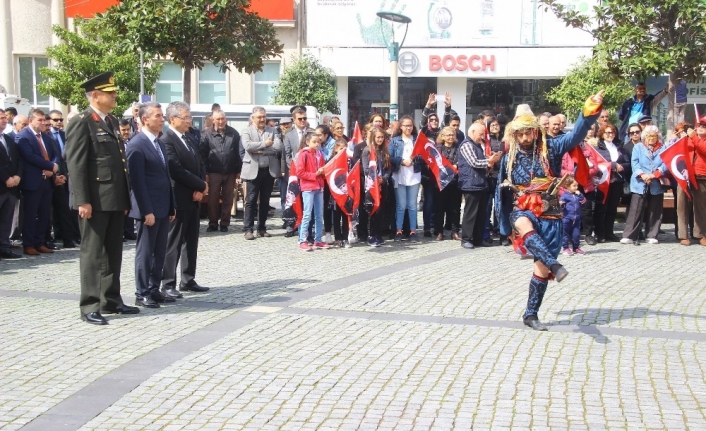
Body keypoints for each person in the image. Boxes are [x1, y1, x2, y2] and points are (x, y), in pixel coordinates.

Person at [497, 90, 603, 331]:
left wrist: (588, 112)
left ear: (536, 131)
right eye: (520, 133)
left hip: (551, 212)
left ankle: (530, 314)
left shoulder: (552, 147)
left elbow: (576, 135)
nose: (525, 137)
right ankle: (556, 265)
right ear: (514, 134)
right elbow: (500, 190)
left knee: (540, 270)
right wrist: (503, 220)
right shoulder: (509, 157)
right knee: (524, 223)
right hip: (523, 208)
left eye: (528, 132)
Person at [65, 71, 138, 324]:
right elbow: (76, 165)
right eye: (110, 93)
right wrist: (82, 200)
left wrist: (124, 199)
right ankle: (89, 305)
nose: (115, 96)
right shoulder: (82, 121)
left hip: (114, 199)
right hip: (94, 201)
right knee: (93, 253)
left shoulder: (112, 121)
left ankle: (111, 299)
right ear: (95, 95)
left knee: (113, 252)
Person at [127, 102, 176, 308]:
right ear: (145, 119)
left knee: (160, 251)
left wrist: (171, 205)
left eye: (162, 115)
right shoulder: (137, 144)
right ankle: (142, 291)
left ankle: (154, 288)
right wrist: (146, 210)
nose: (162, 119)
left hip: (163, 207)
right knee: (145, 252)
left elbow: (165, 176)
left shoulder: (159, 143)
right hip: (148, 209)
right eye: (158, 116)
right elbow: (137, 182)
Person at [161, 101, 209, 297]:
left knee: (191, 240)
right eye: (186, 117)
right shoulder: (167, 139)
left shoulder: (188, 138)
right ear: (173, 119)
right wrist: (199, 185)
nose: (190, 121)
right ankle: (168, 283)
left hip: (193, 196)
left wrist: (202, 184)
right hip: (179, 196)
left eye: (190, 117)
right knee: (174, 241)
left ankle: (188, 279)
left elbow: (200, 163)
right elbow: (175, 169)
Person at [16, 109, 59, 255]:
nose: (42, 123)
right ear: (30, 121)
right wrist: (49, 166)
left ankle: (40, 242)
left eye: (43, 120)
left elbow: (54, 155)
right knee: (30, 214)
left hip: (46, 181)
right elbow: (30, 156)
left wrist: (52, 168)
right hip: (32, 182)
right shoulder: (23, 137)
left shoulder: (46, 137)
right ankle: (28, 244)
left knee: (44, 213)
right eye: (39, 120)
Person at [620, 125, 667, 245]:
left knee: (654, 210)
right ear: (645, 136)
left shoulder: (663, 148)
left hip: (656, 182)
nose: (651, 138)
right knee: (635, 209)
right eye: (649, 135)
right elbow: (634, 163)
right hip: (640, 182)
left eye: (654, 136)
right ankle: (630, 235)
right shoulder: (638, 147)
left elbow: (665, 164)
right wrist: (643, 175)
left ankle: (652, 234)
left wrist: (654, 175)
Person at [241, 106, 283, 239]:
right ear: (253, 118)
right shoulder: (247, 131)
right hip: (253, 171)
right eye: (259, 117)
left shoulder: (272, 130)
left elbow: (278, 146)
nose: (262, 119)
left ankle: (262, 228)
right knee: (251, 200)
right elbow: (247, 146)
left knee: (265, 201)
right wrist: (265, 144)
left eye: (264, 117)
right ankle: (248, 229)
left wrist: (259, 149)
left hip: (268, 171)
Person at [458, 122, 501, 249]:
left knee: (481, 214)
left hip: (481, 183)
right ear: (472, 132)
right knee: (470, 214)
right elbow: (474, 162)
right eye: (480, 134)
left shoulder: (477, 145)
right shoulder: (466, 145)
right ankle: (466, 238)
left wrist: (490, 163)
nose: (482, 136)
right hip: (471, 184)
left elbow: (481, 164)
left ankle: (477, 239)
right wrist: (489, 161)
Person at [200, 110, 241, 233]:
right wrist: (205, 172)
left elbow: (238, 153)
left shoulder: (233, 133)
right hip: (213, 172)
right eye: (218, 119)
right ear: (213, 120)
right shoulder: (207, 134)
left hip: (230, 171)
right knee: (213, 198)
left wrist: (238, 171)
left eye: (223, 118)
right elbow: (202, 155)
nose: (221, 121)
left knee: (228, 198)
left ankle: (225, 223)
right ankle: (213, 223)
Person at [593, 123, 630, 243]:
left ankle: (609, 233)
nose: (610, 135)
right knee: (601, 207)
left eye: (612, 132)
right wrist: (613, 165)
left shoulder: (619, 147)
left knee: (612, 208)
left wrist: (621, 166)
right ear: (602, 134)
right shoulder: (598, 149)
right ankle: (600, 233)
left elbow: (628, 163)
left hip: (617, 181)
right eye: (607, 132)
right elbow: (597, 164)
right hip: (604, 181)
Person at [561, 135, 600, 246]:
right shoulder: (565, 152)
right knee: (568, 211)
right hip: (569, 186)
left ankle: (588, 234)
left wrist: (583, 174)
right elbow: (561, 169)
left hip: (585, 185)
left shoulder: (588, 150)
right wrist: (572, 176)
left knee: (586, 211)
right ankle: (567, 236)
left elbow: (595, 168)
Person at [389, 116, 421, 242]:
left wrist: (415, 159)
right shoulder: (395, 141)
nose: (408, 128)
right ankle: (398, 230)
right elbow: (390, 157)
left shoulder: (417, 141)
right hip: (399, 176)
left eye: (410, 125)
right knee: (401, 205)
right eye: (406, 125)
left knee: (412, 205)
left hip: (414, 176)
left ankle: (413, 231)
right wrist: (402, 161)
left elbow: (423, 156)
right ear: (401, 127)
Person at [296, 131, 328, 251]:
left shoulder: (319, 153)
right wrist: (315, 174)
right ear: (307, 142)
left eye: (318, 142)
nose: (317, 144)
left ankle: (318, 239)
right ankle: (302, 240)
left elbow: (323, 169)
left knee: (319, 215)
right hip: (308, 187)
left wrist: (323, 173)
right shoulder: (303, 154)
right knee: (307, 214)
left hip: (319, 187)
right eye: (314, 142)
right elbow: (300, 172)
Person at [362, 126, 393, 246]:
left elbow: (388, 169)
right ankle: (372, 235)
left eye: (382, 137)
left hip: (382, 184)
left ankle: (378, 234)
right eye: (378, 137)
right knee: (373, 210)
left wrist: (383, 179)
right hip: (371, 185)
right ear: (373, 138)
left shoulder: (385, 151)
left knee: (381, 210)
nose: (380, 139)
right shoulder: (367, 150)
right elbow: (365, 169)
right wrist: (375, 180)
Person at [0, 108, 23, 259]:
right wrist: (6, 178)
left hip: (11, 187)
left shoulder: (8, 139)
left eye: (4, 117)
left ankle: (4, 247)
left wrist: (18, 176)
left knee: (6, 220)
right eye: (1, 118)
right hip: (2, 185)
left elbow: (18, 159)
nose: (4, 120)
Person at [434, 126, 461, 241]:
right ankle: (439, 231)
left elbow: (460, 161)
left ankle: (454, 232)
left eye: (452, 135)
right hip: (441, 182)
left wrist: (455, 166)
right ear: (443, 136)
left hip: (455, 181)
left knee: (455, 208)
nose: (450, 137)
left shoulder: (458, 148)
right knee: (439, 208)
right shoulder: (438, 148)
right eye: (448, 135)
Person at [483, 117, 506, 245]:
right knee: (488, 206)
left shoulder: (504, 139)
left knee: (501, 205)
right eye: (492, 125)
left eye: (497, 124)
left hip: (501, 175)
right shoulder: (486, 141)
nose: (495, 127)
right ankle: (486, 232)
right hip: (489, 176)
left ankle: (500, 230)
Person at [685, 121, 706, 246]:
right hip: (690, 175)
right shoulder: (691, 138)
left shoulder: (695, 138)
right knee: (685, 206)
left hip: (702, 176)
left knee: (701, 207)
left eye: (704, 126)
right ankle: (685, 234)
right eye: (699, 126)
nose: (701, 128)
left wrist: (694, 137)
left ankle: (700, 234)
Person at [330, 139, 351, 248]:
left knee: (346, 216)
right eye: (340, 148)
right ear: (335, 149)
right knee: (336, 217)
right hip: (336, 194)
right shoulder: (332, 160)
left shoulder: (349, 161)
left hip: (346, 193)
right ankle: (338, 238)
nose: (342, 150)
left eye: (344, 148)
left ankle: (345, 237)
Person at [560, 177, 586, 255]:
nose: (576, 187)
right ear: (568, 186)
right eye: (574, 186)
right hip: (567, 218)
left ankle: (576, 247)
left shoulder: (577, 195)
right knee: (566, 234)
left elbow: (584, 202)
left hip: (577, 218)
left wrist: (580, 195)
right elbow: (561, 205)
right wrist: (561, 204)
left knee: (576, 234)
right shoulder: (565, 195)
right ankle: (565, 248)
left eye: (577, 185)